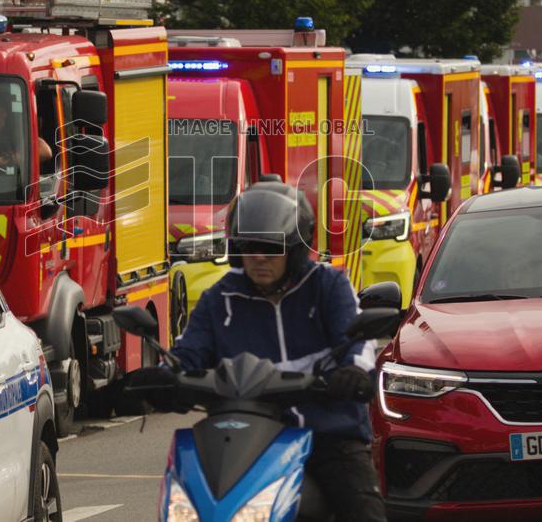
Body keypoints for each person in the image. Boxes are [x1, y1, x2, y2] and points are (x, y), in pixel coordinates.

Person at [134, 179, 386, 522]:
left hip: (327, 437)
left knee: (363, 511)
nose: (258, 258)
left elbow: (358, 344)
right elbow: (188, 356)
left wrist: (355, 373)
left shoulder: (328, 286)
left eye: (271, 248)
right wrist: (161, 380)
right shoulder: (219, 299)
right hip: (239, 440)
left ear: (296, 247)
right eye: (249, 246)